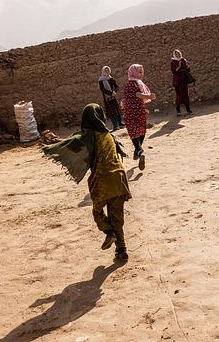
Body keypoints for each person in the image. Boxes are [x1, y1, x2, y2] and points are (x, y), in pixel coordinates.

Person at [43, 104, 132, 262]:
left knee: (98, 212)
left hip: (103, 180)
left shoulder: (88, 134)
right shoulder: (109, 135)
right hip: (119, 178)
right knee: (116, 216)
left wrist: (51, 146)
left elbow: (72, 145)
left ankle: (109, 232)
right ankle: (121, 250)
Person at [123, 64, 156, 170]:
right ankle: (138, 150)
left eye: (142, 71)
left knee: (135, 130)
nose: (141, 74)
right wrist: (149, 96)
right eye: (139, 71)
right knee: (140, 129)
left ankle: (138, 150)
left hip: (131, 111)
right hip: (136, 110)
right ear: (134, 72)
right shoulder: (133, 84)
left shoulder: (132, 83)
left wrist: (148, 96)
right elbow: (138, 94)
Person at [98, 66, 124, 131]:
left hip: (113, 97)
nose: (107, 71)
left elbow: (116, 86)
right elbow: (102, 89)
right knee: (112, 112)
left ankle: (120, 123)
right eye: (105, 70)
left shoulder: (111, 78)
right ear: (103, 71)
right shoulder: (101, 80)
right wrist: (110, 93)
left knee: (117, 110)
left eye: (108, 70)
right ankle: (115, 126)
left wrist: (115, 91)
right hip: (107, 98)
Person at [171, 49, 193, 116]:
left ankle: (188, 110)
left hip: (184, 80)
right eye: (176, 54)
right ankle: (178, 111)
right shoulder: (173, 62)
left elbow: (188, 70)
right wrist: (179, 66)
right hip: (177, 81)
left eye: (179, 53)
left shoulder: (183, 60)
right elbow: (174, 71)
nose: (178, 55)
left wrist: (186, 64)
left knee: (186, 95)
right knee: (179, 95)